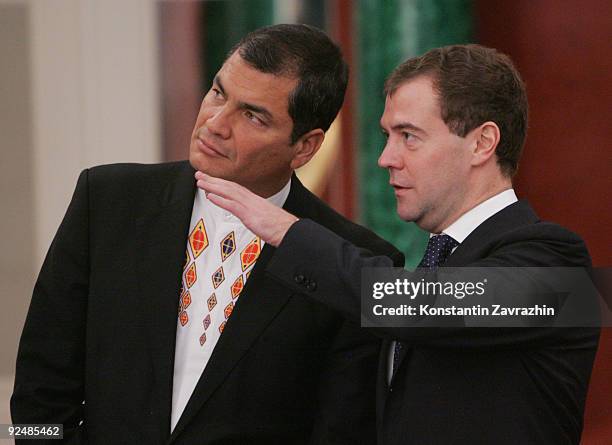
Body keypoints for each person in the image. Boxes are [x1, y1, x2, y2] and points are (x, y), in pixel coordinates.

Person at [11, 24, 403, 444]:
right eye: (218, 93)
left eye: (252, 115)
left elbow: (342, 432)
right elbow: (41, 389)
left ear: (305, 147)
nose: (215, 124)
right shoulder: (106, 201)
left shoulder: (353, 261)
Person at [196, 44, 600, 444]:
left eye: (409, 136)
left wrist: (290, 232)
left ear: (482, 143)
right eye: (387, 136)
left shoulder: (559, 265)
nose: (386, 158)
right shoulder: (429, 267)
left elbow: (424, 307)